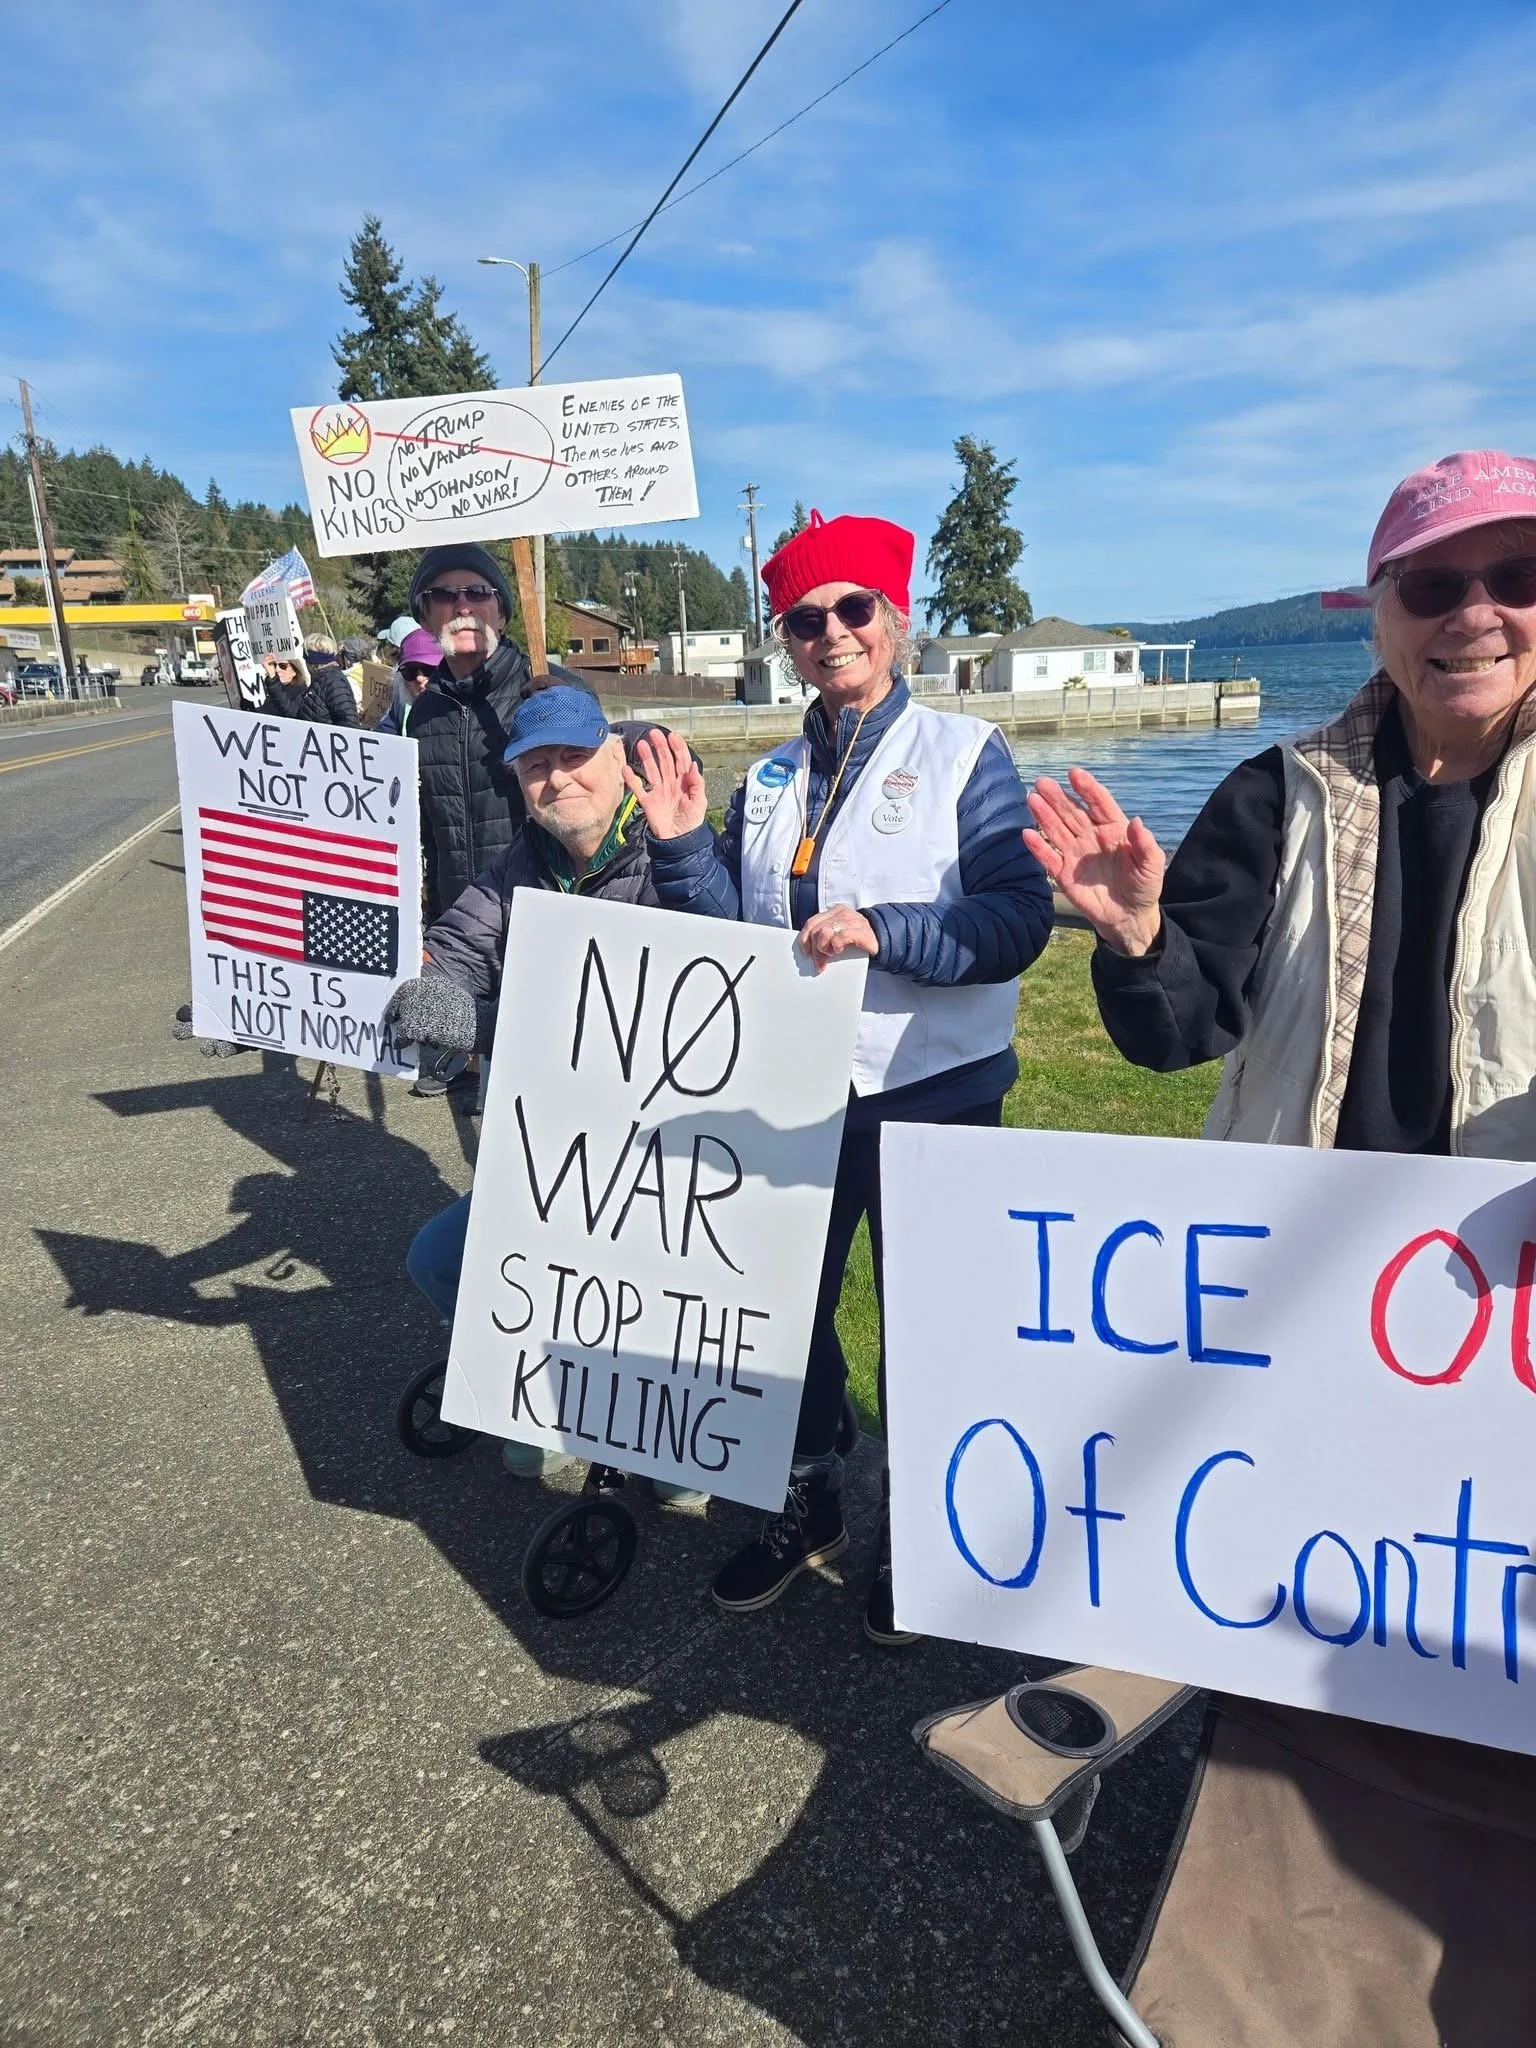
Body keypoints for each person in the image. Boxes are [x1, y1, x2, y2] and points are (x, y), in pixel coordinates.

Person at [630, 508, 1054, 1639]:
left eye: (853, 609)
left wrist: (890, 928)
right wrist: (679, 845)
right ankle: (810, 1493)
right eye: (804, 618)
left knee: (931, 1322)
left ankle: (921, 1525)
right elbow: (731, 929)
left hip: (935, 1086)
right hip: (793, 1089)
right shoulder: (766, 775)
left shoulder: (966, 752)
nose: (831, 632)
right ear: (786, 638)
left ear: (894, 619)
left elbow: (1018, 918)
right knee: (781, 1310)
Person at [1025, 448, 1536, 1159]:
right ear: (1380, 619)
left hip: (1499, 1252)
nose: (1475, 614)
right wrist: (1140, 938)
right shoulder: (1279, 792)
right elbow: (1180, 1032)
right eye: (1432, 588)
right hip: (1298, 1237)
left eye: (1519, 580)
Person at [386, 686, 699, 1502]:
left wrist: (479, 1022)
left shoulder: (675, 852)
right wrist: (431, 999)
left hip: (666, 1159)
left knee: (651, 1307)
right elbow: (456, 945)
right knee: (438, 1259)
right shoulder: (520, 864)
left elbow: (653, 1014)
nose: (557, 779)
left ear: (616, 758)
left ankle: (670, 1444)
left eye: (572, 757)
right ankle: (536, 1394)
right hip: (556, 1144)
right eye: (535, 766)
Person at [403, 541, 584, 927]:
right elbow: (432, 838)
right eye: (445, 595)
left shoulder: (557, 694)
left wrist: (566, 730)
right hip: (458, 931)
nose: (463, 607)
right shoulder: (422, 715)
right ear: (426, 617)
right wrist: (434, 921)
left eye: (478, 593)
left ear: (501, 614)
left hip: (544, 925)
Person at [261, 651, 359, 726]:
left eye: (283, 666)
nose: (277, 670)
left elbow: (349, 722)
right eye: (274, 665)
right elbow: (292, 711)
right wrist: (272, 678)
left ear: (295, 670)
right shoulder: (314, 685)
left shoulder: (334, 682)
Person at [374, 627, 440, 737]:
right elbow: (382, 741)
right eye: (410, 671)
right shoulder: (401, 707)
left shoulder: (468, 714)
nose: (419, 678)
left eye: (429, 669)